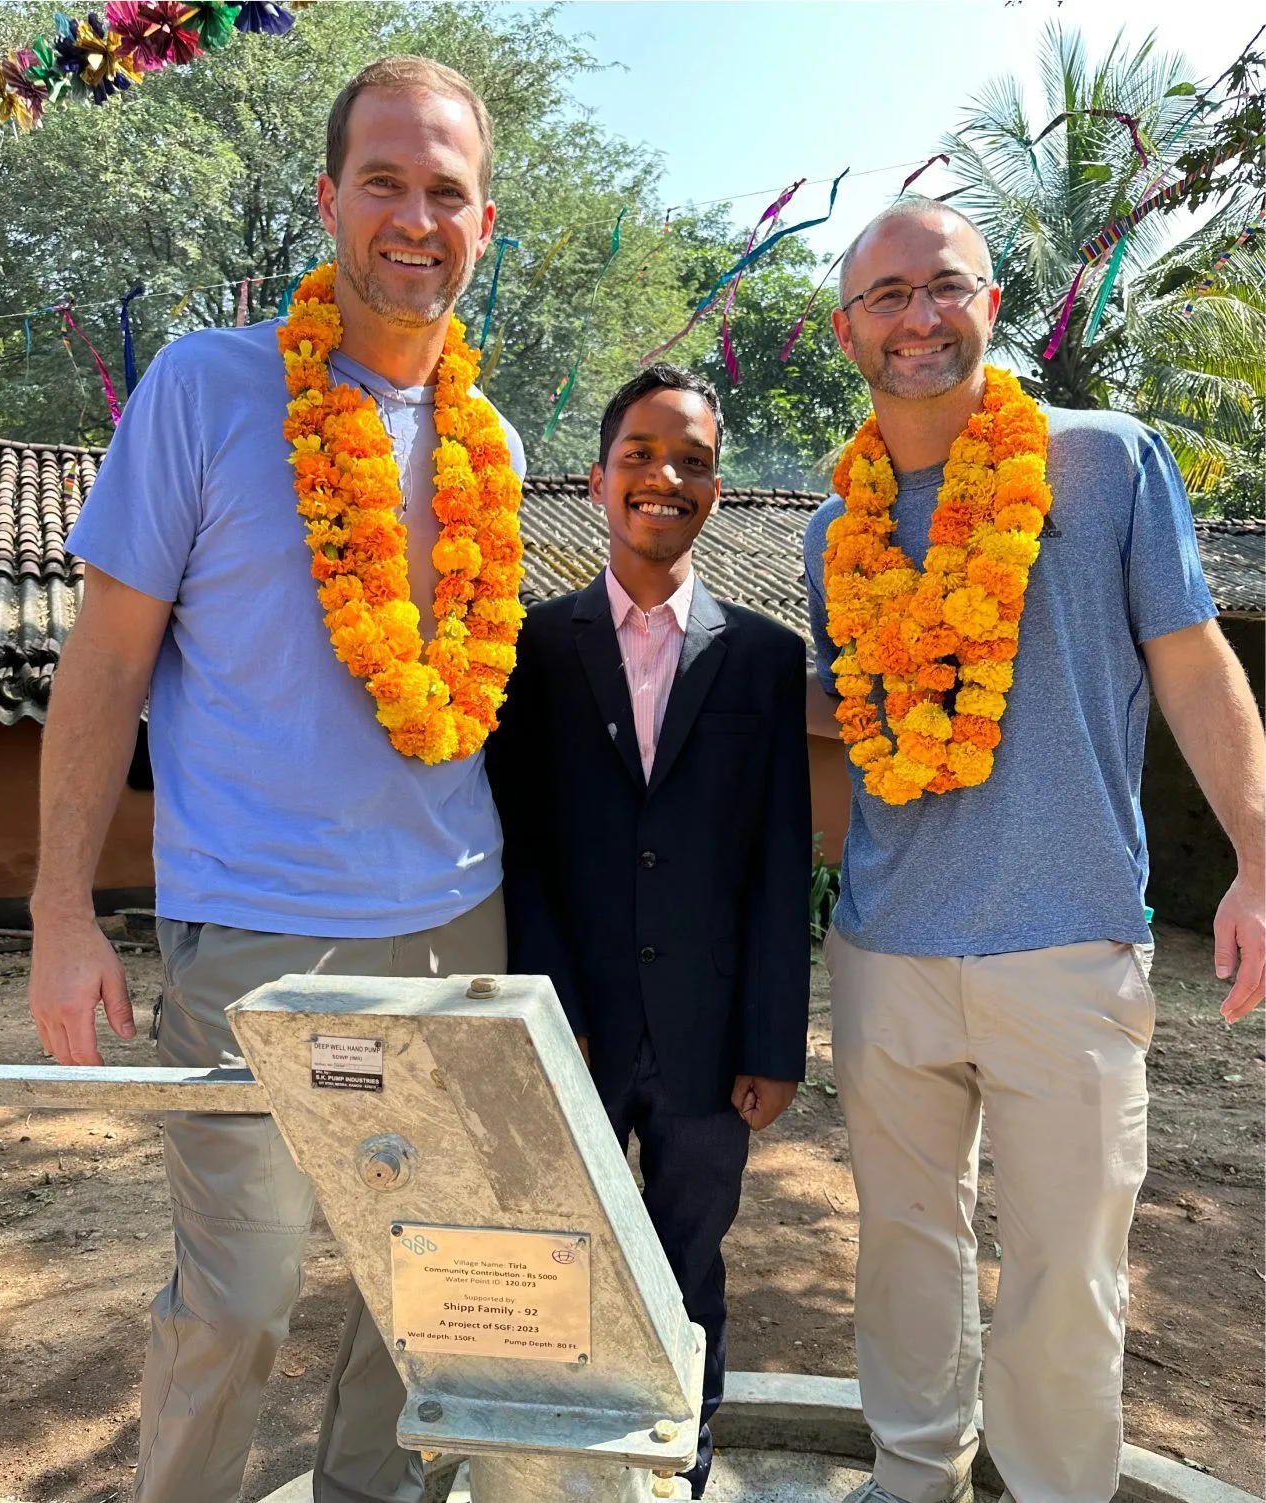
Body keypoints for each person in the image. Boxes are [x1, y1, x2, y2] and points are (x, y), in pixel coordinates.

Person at [27, 56, 527, 1503]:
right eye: (383, 181)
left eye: (445, 191)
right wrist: (65, 909)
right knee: (236, 1302)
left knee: (418, 1296)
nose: (413, 218)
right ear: (328, 199)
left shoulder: (489, 446)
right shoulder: (206, 385)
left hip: (454, 925)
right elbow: (104, 665)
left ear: (482, 222)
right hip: (251, 932)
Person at [802, 197, 1265, 1503]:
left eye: (942, 285)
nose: (915, 317)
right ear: (848, 330)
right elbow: (856, 727)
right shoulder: (828, 525)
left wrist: (1255, 854)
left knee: (1066, 1271)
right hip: (884, 953)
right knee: (900, 1248)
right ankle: (911, 1475)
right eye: (884, 296)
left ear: (990, 301)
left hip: (1064, 948)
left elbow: (1188, 662)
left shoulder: (1101, 461)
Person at [485, 364, 812, 1498]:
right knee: (558, 1259)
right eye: (640, 455)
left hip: (709, 1040)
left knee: (685, 1268)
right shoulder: (528, 649)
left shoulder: (765, 657)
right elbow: (517, 844)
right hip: (567, 1028)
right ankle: (566, 1471)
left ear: (716, 489)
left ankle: (676, 1464)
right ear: (599, 478)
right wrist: (545, 1009)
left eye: (691, 461)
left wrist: (774, 1042)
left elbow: (779, 858)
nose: (663, 478)